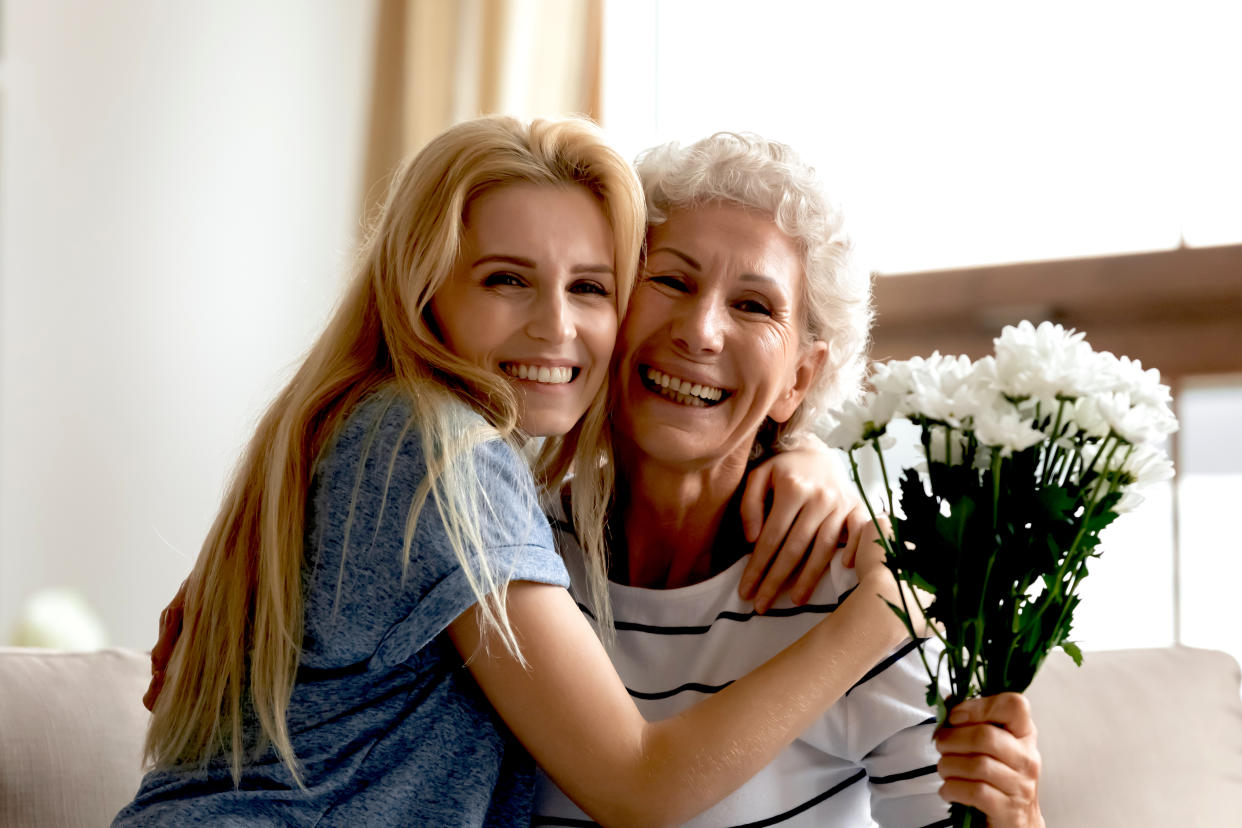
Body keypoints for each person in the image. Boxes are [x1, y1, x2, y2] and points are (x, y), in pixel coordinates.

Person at [118, 115, 936, 827]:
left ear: (801, 374)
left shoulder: (435, 461)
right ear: (422, 287)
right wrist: (886, 613)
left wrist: (809, 460)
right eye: (506, 279)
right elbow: (636, 785)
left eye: (587, 286)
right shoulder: (449, 459)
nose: (556, 325)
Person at [532, 133, 1045, 827]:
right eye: (672, 281)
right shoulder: (515, 553)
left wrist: (1014, 816)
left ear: (798, 380)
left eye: (754, 307)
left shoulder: (871, 590)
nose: (701, 331)